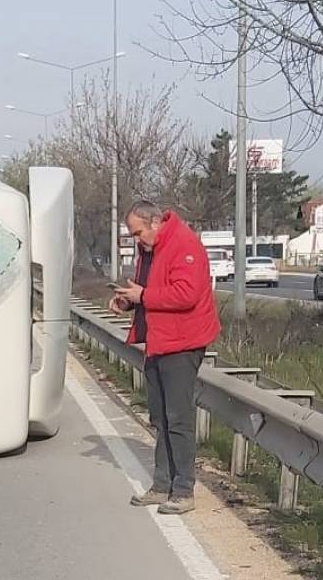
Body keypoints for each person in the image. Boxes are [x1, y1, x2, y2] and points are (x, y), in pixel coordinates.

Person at [110, 200, 220, 515]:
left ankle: (183, 490)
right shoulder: (151, 249)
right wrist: (130, 302)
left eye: (138, 232)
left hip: (182, 341)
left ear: (155, 222)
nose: (136, 239)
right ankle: (162, 485)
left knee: (178, 418)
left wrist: (143, 296)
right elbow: (148, 289)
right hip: (159, 340)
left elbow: (186, 294)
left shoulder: (184, 245)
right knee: (160, 416)